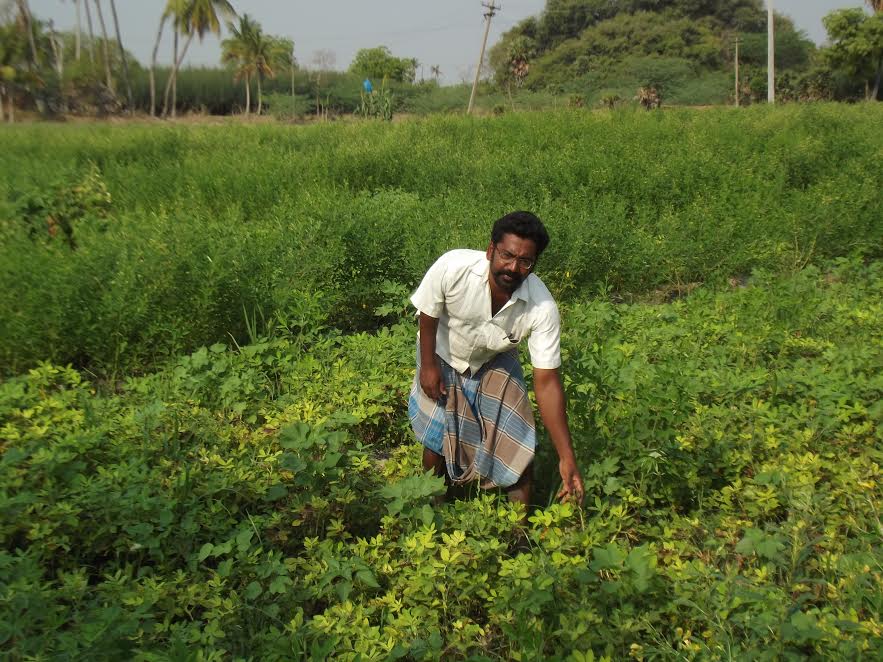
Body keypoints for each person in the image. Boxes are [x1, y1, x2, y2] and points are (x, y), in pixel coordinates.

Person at [408, 211, 584, 507]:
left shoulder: (542, 307)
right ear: (491, 250)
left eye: (525, 261)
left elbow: (548, 382)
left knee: (519, 442)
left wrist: (567, 457)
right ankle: (434, 508)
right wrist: (428, 366)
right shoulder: (454, 267)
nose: (513, 268)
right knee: (437, 438)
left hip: (493, 357)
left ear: (534, 264)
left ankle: (519, 530)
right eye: (507, 255)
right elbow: (428, 313)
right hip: (443, 350)